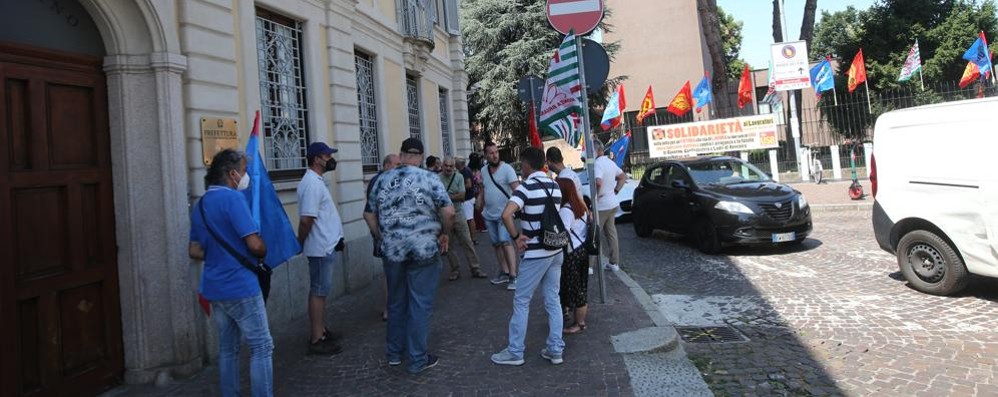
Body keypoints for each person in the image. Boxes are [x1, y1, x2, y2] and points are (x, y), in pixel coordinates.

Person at [364, 137, 454, 374]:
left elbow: (369, 215)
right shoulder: (429, 178)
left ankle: (394, 354)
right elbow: (448, 211)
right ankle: (416, 359)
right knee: (419, 304)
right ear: (421, 157)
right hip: (423, 249)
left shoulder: (381, 180)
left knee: (395, 302)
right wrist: (445, 233)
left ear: (402, 154)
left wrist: (380, 237)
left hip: (392, 251)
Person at [189, 149, 273, 397]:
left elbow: (194, 250)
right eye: (244, 171)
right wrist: (263, 249)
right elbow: (255, 245)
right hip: (240, 285)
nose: (246, 176)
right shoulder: (233, 200)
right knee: (262, 346)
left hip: (214, 286)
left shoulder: (201, 204)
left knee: (227, 349)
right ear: (232, 173)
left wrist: (218, 254)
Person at [491, 147, 565, 366]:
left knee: (522, 301)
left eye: (521, 164)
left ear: (526, 164)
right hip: (555, 249)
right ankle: (555, 349)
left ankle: (515, 351)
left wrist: (516, 237)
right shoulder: (555, 185)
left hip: (535, 253)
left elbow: (506, 215)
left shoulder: (525, 188)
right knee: (553, 299)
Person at [296, 142, 345, 355]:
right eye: (327, 156)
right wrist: (300, 242)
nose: (330, 159)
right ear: (317, 159)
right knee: (318, 292)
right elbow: (307, 219)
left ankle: (321, 329)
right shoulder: (312, 184)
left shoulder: (316, 181)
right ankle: (317, 338)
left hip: (325, 245)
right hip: (319, 247)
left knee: (321, 291)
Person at [476, 142, 521, 290]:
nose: (495, 155)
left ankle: (514, 276)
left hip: (504, 215)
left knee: (505, 241)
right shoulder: (483, 171)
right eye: (491, 153)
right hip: (489, 214)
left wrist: (516, 209)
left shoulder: (507, 169)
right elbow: (483, 189)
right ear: (486, 155)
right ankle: (505, 272)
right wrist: (480, 200)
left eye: (496, 152)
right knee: (496, 244)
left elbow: (517, 190)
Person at [440, 156, 487, 280]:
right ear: (442, 166)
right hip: (444, 216)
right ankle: (455, 270)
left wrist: (445, 197)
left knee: (467, 241)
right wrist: (452, 196)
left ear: (454, 166)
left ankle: (475, 268)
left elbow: (462, 196)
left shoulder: (459, 177)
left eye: (451, 166)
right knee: (449, 245)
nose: (449, 168)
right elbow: (437, 198)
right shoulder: (437, 178)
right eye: (446, 166)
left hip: (459, 213)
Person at [367, 154, 400, 321]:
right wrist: (379, 234)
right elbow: (369, 212)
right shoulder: (378, 182)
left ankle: (394, 306)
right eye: (396, 164)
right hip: (387, 234)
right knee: (390, 273)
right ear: (387, 165)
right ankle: (389, 308)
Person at [556, 178, 589, 335]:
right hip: (582, 249)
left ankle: (579, 323)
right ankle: (576, 319)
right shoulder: (580, 205)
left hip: (572, 253)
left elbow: (564, 234)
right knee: (580, 286)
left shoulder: (565, 210)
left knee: (574, 288)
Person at [593, 140, 626, 272]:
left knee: (594, 234)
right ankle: (614, 263)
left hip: (602, 205)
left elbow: (598, 182)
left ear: (596, 150)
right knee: (611, 233)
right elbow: (622, 176)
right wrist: (616, 190)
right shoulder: (610, 163)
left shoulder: (597, 164)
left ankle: (590, 265)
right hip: (612, 203)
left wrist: (597, 195)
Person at [456, 157, 478, 245]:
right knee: (469, 219)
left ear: (459, 163)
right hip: (468, 198)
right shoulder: (465, 170)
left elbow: (468, 184)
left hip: (467, 198)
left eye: (455, 162)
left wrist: (459, 189)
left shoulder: (464, 171)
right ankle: (471, 238)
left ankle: (473, 239)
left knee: (469, 219)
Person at [469, 153, 488, 233]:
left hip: (474, 191)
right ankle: (481, 226)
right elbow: (481, 181)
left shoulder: (469, 169)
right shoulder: (481, 169)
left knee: (477, 210)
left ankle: (479, 226)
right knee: (479, 210)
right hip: (478, 191)